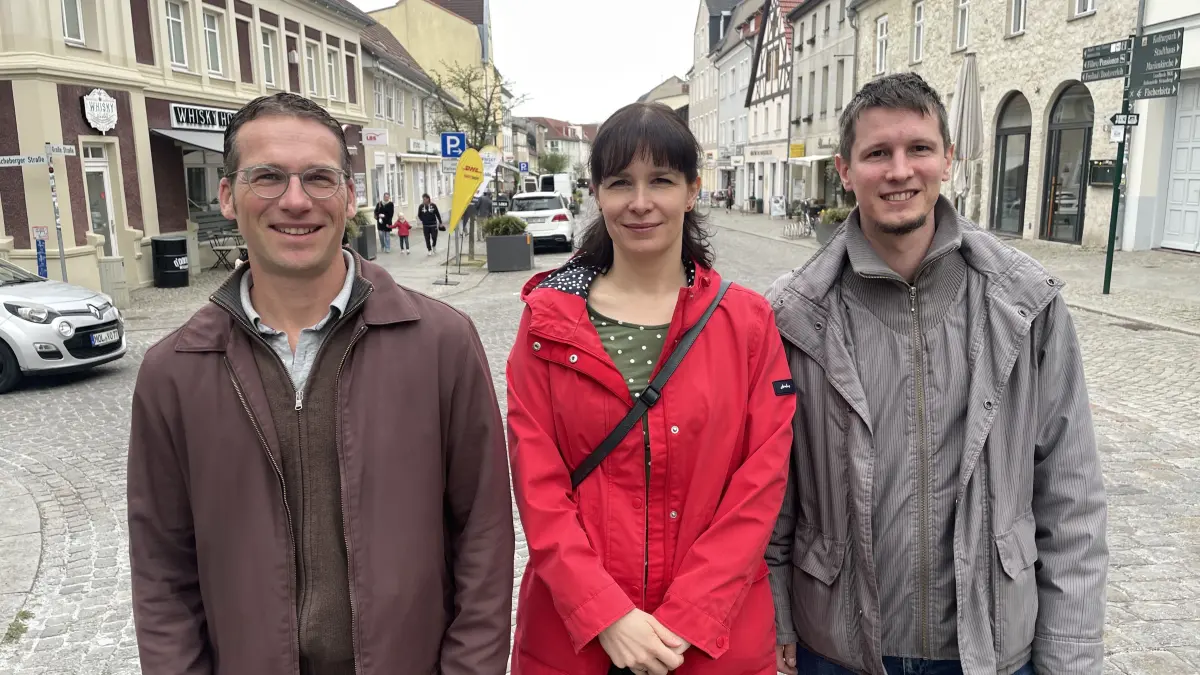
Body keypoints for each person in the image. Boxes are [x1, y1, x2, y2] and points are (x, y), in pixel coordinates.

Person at [127, 92, 515, 675]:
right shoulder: (175, 371)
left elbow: (483, 535)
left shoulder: (441, 344)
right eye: (267, 177)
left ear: (350, 196)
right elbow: (162, 572)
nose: (295, 200)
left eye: (319, 178)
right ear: (228, 196)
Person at [766, 73, 1107, 675]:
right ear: (845, 170)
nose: (900, 171)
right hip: (837, 648)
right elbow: (773, 497)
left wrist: (1071, 655)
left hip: (990, 646)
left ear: (948, 158)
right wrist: (774, 621)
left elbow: (1070, 496)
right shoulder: (793, 315)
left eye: (918, 149)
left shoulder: (1025, 305)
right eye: (878, 154)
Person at [506, 101, 795, 675]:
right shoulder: (546, 325)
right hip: (576, 639)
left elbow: (759, 482)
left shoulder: (747, 324)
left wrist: (689, 613)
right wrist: (605, 613)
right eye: (620, 183)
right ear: (596, 193)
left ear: (692, 191)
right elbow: (538, 485)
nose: (640, 202)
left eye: (660, 180)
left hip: (713, 639)